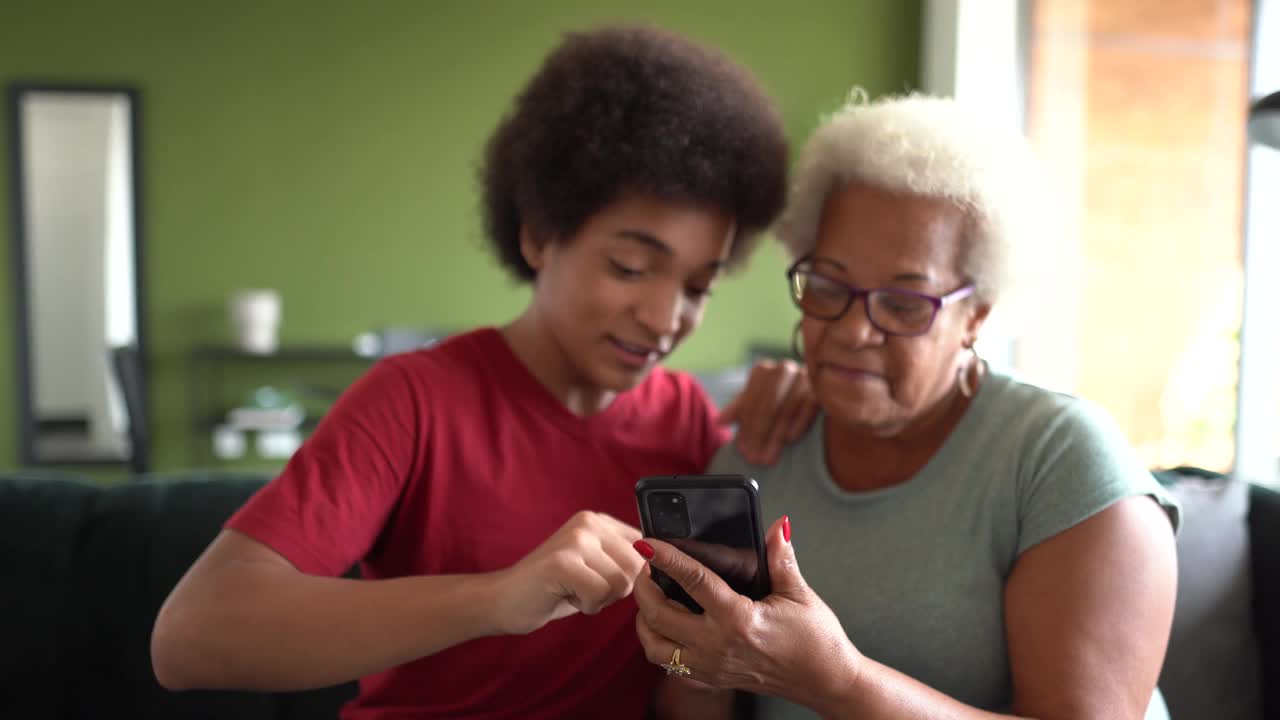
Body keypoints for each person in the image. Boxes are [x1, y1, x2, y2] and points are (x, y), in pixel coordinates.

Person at [151, 25, 813, 720]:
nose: (663, 317)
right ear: (537, 234)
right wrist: (497, 597)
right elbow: (190, 637)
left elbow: (687, 685)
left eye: (699, 286)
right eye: (630, 268)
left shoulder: (689, 428)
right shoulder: (413, 402)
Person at [632, 93, 1181, 720]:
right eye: (830, 287)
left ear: (977, 314)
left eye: (903, 304)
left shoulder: (1060, 457)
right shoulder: (761, 445)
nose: (852, 331)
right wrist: (699, 658)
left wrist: (836, 682)